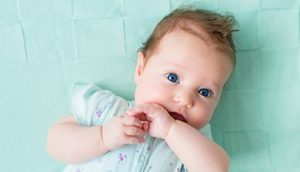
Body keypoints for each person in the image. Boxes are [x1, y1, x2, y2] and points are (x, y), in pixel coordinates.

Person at [47, 6, 237, 172]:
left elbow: (218, 169)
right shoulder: (108, 110)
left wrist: (171, 130)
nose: (185, 99)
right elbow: (55, 143)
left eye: (204, 92)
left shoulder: (192, 144)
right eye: (173, 78)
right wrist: (103, 137)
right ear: (140, 69)